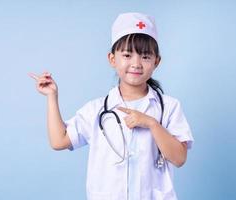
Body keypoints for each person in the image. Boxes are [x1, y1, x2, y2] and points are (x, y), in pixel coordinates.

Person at [29, 12, 194, 200]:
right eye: (127, 55)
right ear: (112, 59)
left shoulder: (169, 107)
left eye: (146, 56)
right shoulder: (97, 110)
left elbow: (179, 158)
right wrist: (52, 97)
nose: (136, 63)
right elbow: (59, 141)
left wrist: (151, 124)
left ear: (157, 61)